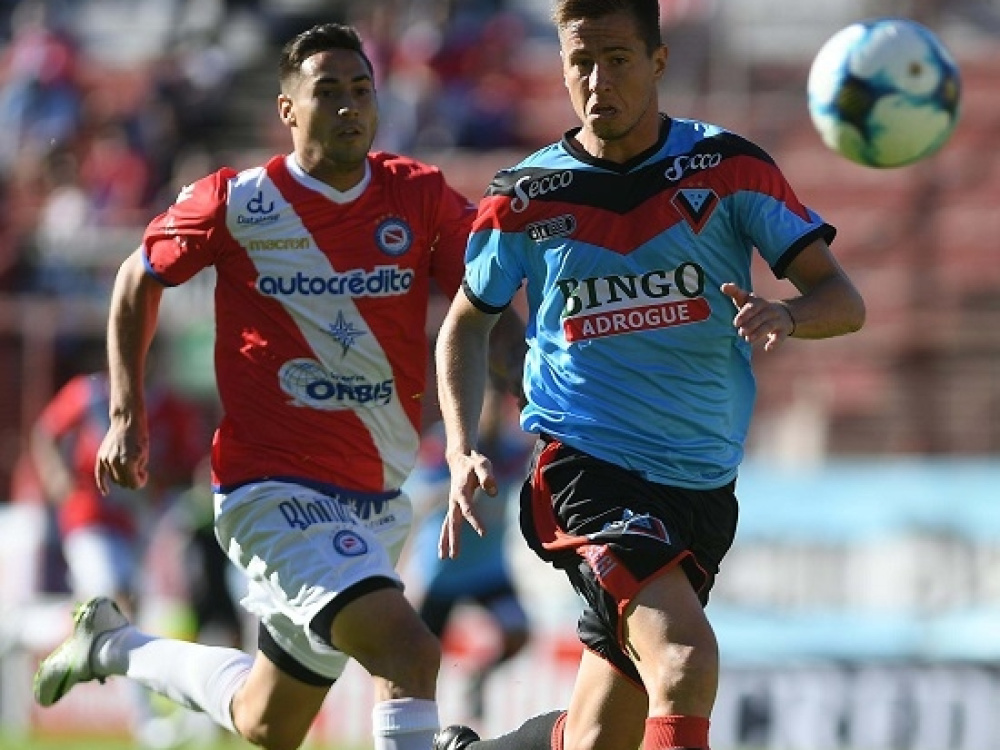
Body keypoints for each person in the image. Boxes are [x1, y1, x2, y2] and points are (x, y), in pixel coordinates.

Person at [32, 22, 521, 750]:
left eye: (362, 90)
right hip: (271, 489)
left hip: (377, 496)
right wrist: (127, 414)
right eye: (328, 92)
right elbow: (138, 278)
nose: (350, 105)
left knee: (269, 719)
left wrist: (533, 389)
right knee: (409, 651)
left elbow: (486, 312)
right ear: (288, 109)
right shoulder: (240, 202)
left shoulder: (417, 196)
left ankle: (113, 645)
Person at [430, 2, 866, 750]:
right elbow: (466, 324)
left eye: (618, 59)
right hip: (586, 468)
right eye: (581, 62)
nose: (598, 80)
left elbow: (843, 301)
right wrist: (461, 444)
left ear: (658, 62)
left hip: (700, 483)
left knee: (599, 734)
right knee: (685, 660)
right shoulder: (524, 197)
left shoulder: (728, 168)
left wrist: (788, 315)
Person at [28, 366, 206, 747]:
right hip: (88, 517)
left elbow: (187, 464)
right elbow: (45, 433)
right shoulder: (90, 394)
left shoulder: (168, 406)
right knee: (117, 607)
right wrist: (56, 474)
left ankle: (19, 628)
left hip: (137, 527)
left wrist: (162, 482)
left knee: (104, 616)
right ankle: (147, 724)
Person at [405, 380, 532, 725]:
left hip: (488, 569)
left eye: (497, 407)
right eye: (483, 407)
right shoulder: (443, 444)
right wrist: (460, 490)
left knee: (518, 633)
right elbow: (418, 497)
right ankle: (420, 723)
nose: (491, 415)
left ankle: (479, 677)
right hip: (443, 569)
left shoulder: (510, 450)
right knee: (421, 656)